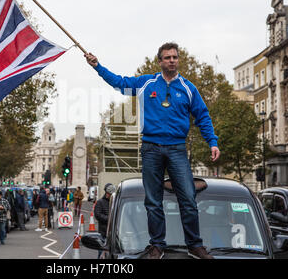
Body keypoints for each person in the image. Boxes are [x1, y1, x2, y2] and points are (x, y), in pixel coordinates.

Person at [85, 42, 220, 259]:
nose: (171, 61)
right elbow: (120, 82)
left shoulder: (188, 88)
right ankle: (157, 244)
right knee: (153, 201)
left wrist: (212, 141)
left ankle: (195, 245)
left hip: (177, 148)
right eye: (167, 57)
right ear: (160, 61)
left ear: (178, 60)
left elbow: (202, 116)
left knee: (188, 198)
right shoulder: (146, 83)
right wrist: (97, 66)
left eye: (175, 57)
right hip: (150, 148)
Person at [94, 183, 116, 259]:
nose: (108, 195)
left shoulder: (115, 202)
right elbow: (97, 215)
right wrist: (109, 219)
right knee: (101, 254)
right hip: (103, 233)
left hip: (113, 234)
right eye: (107, 193)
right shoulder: (100, 202)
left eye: (109, 194)